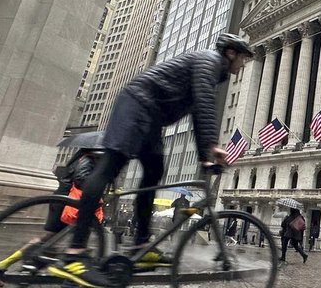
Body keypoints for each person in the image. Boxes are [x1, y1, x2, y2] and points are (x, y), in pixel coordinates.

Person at [47, 33, 249, 287]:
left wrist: (204, 156)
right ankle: (74, 255)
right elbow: (204, 103)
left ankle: (141, 244)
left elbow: (198, 114)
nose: (243, 64)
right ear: (231, 54)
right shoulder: (208, 61)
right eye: (243, 58)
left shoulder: (213, 71)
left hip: (151, 116)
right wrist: (210, 147)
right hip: (137, 105)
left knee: (154, 171)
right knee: (109, 167)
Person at [0, 149, 102, 284]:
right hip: (67, 204)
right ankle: (71, 279)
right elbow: (81, 179)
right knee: (75, 244)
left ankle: (2, 267)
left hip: (65, 201)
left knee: (50, 240)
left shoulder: (84, 158)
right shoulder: (89, 158)